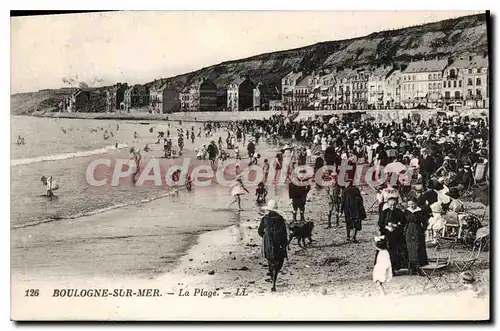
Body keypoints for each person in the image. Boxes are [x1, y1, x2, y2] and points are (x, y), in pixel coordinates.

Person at [258, 200, 288, 292]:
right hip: (278, 242)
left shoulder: (265, 218)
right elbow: (284, 233)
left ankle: (273, 280)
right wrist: (284, 244)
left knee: (270, 263)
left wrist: (265, 237)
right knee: (278, 263)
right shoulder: (280, 219)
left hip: (268, 243)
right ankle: (274, 282)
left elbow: (260, 231)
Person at [378, 197, 407, 275]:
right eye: (390, 205)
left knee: (395, 252)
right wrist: (387, 227)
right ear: (387, 204)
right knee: (385, 252)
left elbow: (403, 222)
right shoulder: (384, 212)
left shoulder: (400, 212)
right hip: (386, 234)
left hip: (396, 235)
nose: (392, 207)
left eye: (394, 205)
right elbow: (380, 223)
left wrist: (396, 226)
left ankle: (394, 268)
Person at [404, 198, 428, 275]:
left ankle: (419, 267)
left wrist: (423, 229)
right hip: (409, 230)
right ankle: (411, 267)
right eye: (410, 204)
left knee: (418, 247)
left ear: (416, 203)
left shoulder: (420, 211)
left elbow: (425, 222)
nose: (411, 206)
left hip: (418, 230)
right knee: (410, 248)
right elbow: (404, 221)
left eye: (413, 204)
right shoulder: (406, 211)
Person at [341, 178, 366, 242]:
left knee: (348, 223)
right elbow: (360, 200)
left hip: (347, 210)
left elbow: (342, 201)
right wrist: (362, 209)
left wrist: (341, 211)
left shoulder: (345, 190)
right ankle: (354, 237)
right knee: (356, 223)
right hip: (356, 210)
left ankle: (348, 237)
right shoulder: (356, 190)